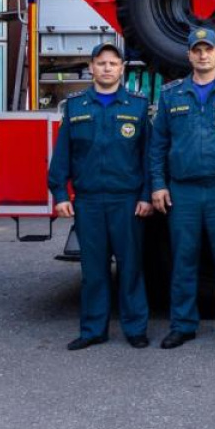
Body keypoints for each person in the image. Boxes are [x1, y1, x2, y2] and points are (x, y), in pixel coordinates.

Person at [149, 28, 215, 349]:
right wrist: (157, 185)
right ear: (189, 55)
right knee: (183, 260)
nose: (202, 55)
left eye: (208, 49)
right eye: (197, 50)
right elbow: (157, 145)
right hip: (183, 191)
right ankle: (182, 324)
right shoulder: (171, 95)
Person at [47, 43, 152, 350]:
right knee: (93, 270)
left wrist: (146, 194)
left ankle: (135, 329)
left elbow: (148, 156)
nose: (107, 68)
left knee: (131, 268)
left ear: (122, 69)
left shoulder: (137, 106)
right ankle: (93, 329)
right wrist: (59, 193)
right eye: (101, 63)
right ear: (91, 67)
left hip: (127, 201)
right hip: (89, 201)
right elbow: (63, 153)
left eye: (113, 63)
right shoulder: (76, 106)